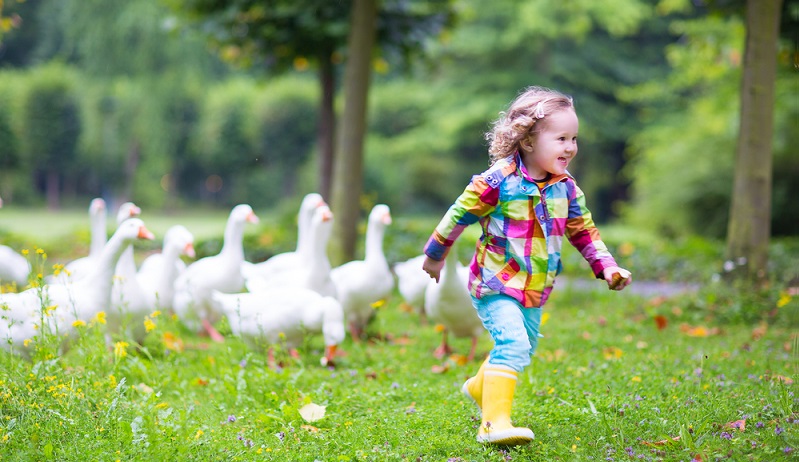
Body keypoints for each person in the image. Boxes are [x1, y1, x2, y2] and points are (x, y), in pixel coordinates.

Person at [422, 86, 632, 446]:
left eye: (574, 138)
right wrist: (435, 254)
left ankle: (479, 387)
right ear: (529, 141)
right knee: (513, 343)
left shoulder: (566, 189)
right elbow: (458, 214)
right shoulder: (498, 181)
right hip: (495, 283)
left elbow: (584, 232)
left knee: (524, 346)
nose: (570, 147)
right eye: (561, 138)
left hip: (535, 287)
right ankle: (493, 424)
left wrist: (608, 267)